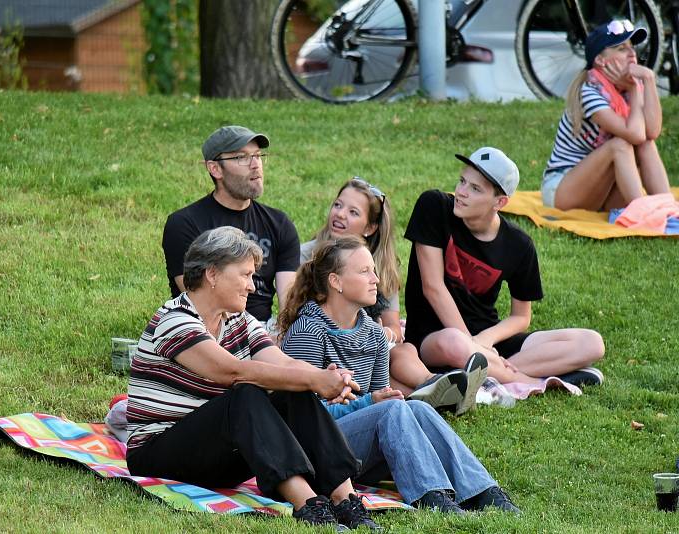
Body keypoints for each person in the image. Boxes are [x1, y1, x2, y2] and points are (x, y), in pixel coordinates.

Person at [127, 226, 381, 530]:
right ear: (212, 274)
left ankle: (345, 499)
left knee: (292, 389)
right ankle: (309, 505)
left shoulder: (238, 320)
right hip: (158, 453)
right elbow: (231, 372)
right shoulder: (174, 319)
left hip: (217, 455)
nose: (253, 286)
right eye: (245, 275)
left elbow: (284, 364)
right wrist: (314, 381)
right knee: (245, 392)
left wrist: (323, 377)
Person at [279, 236, 519, 514]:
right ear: (336, 282)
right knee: (393, 408)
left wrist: (378, 402)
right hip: (319, 454)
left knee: (417, 407)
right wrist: (370, 403)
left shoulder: (374, 336)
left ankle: (483, 490)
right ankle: (432, 497)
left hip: (359, 453)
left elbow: (383, 406)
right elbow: (301, 418)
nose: (376, 279)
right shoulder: (307, 332)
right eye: (364, 271)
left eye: (374, 270)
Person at [405, 147, 605, 387]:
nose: (461, 192)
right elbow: (433, 288)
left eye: (475, 188)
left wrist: (485, 339)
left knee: (591, 343)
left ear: (499, 202)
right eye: (462, 181)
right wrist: (472, 345)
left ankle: (488, 371)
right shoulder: (434, 206)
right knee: (456, 343)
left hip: (486, 339)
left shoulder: (518, 245)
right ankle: (533, 379)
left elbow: (521, 317)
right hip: (435, 339)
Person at [300, 177, 486, 414]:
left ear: (370, 228)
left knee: (404, 350)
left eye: (353, 212)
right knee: (384, 367)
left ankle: (436, 385)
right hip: (333, 349)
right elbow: (297, 310)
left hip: (372, 349)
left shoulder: (380, 267)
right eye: (338, 205)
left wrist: (381, 333)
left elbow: (394, 327)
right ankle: (443, 392)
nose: (340, 214)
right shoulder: (308, 256)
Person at [162, 125, 299, 331]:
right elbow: (200, 303)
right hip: (210, 329)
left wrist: (283, 336)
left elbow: (289, 303)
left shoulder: (279, 223)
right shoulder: (184, 224)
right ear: (215, 168)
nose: (255, 165)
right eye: (241, 157)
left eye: (257, 155)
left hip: (266, 329)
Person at [541, 19, 668, 211]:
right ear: (600, 60)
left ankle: (668, 210)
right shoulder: (589, 92)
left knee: (646, 145)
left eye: (632, 47)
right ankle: (643, 214)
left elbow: (651, 132)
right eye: (621, 48)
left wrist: (648, 80)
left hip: (601, 190)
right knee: (620, 145)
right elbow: (634, 134)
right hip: (562, 190)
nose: (632, 53)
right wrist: (634, 89)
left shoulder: (628, 87)